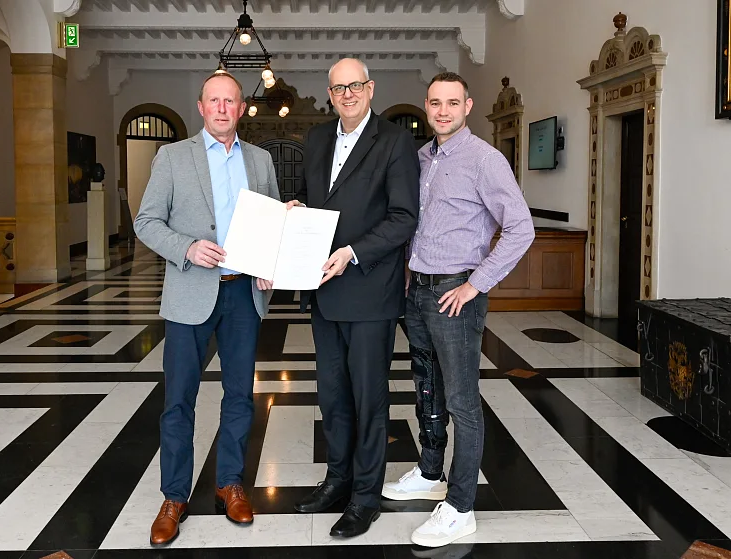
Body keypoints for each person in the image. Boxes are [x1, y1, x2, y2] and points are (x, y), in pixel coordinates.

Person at [381, 71, 534, 547]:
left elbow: (521, 228)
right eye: (434, 102)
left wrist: (475, 285)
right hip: (418, 290)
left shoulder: (485, 160)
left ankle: (461, 507)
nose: (442, 111)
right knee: (426, 386)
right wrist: (409, 270)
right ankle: (431, 472)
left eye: (452, 102)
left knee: (462, 401)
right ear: (426, 107)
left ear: (467, 106)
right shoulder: (420, 158)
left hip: (455, 294)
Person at [134, 71, 281, 546]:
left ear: (241, 109)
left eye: (230, 101)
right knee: (179, 399)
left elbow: (273, 222)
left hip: (243, 295)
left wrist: (270, 262)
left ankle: (230, 483)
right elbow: (146, 222)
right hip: (190, 292)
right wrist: (187, 247)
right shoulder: (172, 157)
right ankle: (174, 497)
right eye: (213, 100)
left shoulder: (260, 160)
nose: (221, 108)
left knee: (239, 395)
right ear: (201, 107)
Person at [287, 58, 420, 538]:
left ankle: (365, 498)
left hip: (369, 291)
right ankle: (337, 480)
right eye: (339, 87)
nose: (347, 94)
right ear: (330, 93)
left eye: (355, 85)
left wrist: (353, 252)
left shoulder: (395, 141)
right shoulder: (317, 138)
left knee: (368, 400)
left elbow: (404, 217)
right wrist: (297, 207)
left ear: (370, 88)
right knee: (333, 396)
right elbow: (313, 197)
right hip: (323, 291)